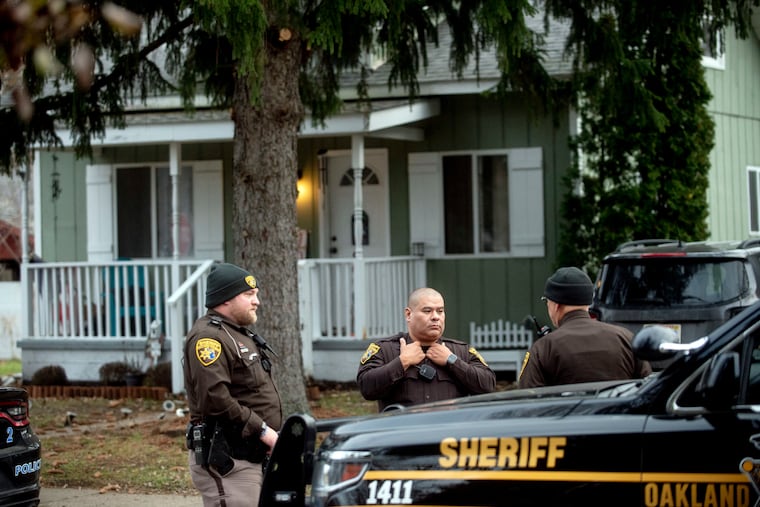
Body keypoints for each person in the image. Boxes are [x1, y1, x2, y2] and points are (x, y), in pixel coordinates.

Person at [183, 262, 282, 507]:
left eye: (256, 294)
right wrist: (263, 431)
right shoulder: (209, 338)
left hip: (251, 456)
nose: (256, 301)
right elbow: (215, 399)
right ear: (225, 298)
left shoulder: (236, 333)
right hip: (229, 461)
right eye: (249, 294)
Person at [357, 287, 496, 411]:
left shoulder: (461, 351)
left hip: (448, 434)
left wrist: (452, 361)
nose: (435, 317)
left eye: (440, 311)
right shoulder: (384, 349)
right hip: (402, 434)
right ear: (408, 314)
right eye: (427, 311)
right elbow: (367, 388)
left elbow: (488, 386)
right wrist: (402, 362)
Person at [518, 266, 652, 388]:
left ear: (555, 305)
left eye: (547, 302)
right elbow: (647, 389)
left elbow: (527, 398)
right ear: (588, 302)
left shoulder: (543, 348)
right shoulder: (626, 338)